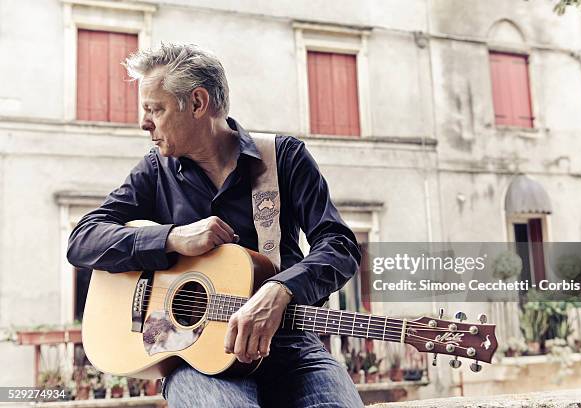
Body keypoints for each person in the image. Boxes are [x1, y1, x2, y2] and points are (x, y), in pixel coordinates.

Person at [67, 43, 364, 408]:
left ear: (197, 103)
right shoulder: (154, 172)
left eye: (154, 109)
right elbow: (82, 240)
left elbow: (339, 244)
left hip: (290, 347)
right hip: (196, 362)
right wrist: (172, 239)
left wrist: (281, 289)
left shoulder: (283, 158)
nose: (144, 123)